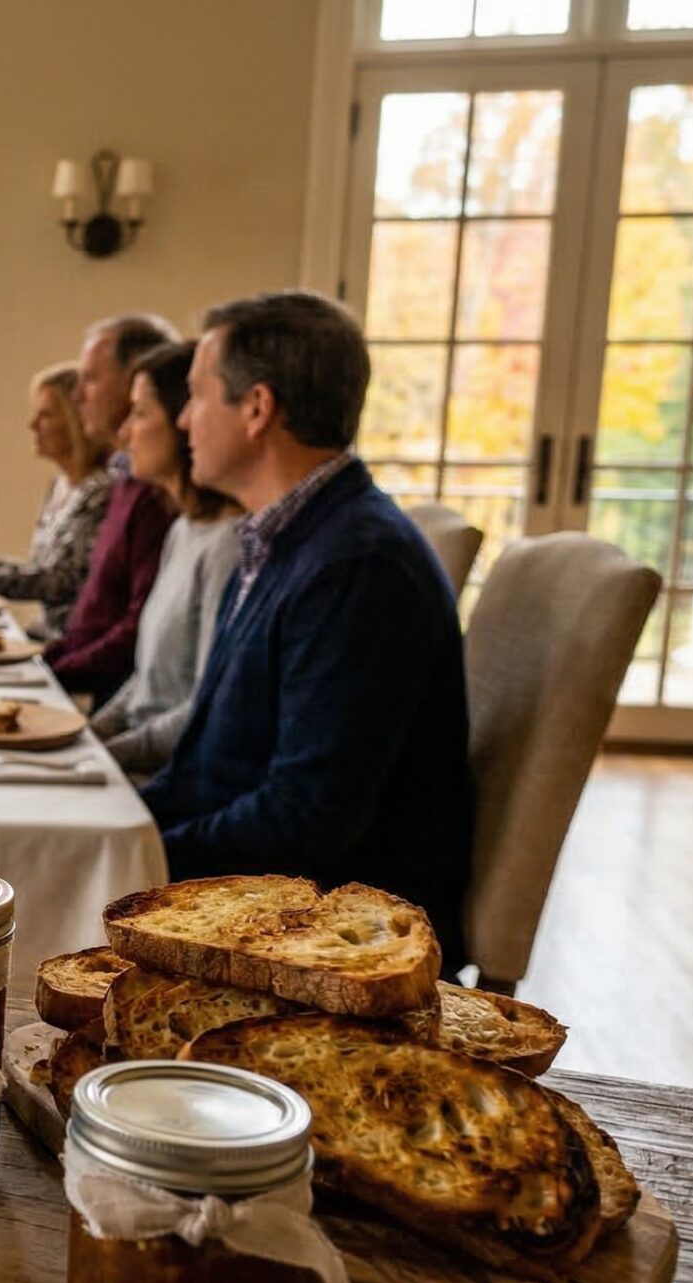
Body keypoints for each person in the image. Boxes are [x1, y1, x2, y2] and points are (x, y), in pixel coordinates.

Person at [137, 291, 475, 971]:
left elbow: (307, 820)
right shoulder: (282, 538)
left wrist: (140, 850)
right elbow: (213, 765)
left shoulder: (358, 564)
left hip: (338, 931)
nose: (182, 418)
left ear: (258, 408)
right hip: (268, 885)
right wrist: (119, 820)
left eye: (197, 396)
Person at [0, 315, 175, 639]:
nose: (80, 397)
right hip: (65, 649)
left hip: (68, 651)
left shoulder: (128, 490)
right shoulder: (100, 483)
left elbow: (69, 583)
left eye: (91, 379)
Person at [87, 342, 243, 777]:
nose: (123, 434)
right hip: (135, 756)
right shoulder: (182, 529)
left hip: (165, 776)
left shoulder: (229, 546)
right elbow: (148, 681)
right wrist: (90, 733)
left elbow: (202, 708)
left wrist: (105, 755)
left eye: (139, 413)